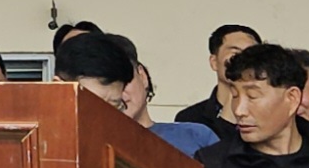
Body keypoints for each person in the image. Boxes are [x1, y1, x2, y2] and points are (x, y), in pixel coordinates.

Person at [63, 31, 211, 156]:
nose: (119, 94)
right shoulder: (80, 147)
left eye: (126, 81)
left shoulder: (196, 136)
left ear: (142, 75)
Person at [177, 24, 260, 128]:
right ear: (214, 62)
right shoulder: (190, 119)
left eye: (250, 54)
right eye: (235, 53)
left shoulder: (273, 112)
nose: (243, 61)